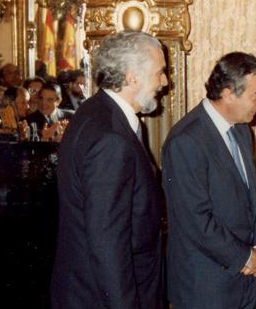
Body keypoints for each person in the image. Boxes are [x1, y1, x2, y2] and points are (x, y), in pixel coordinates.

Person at [50, 31, 168, 309]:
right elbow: (108, 242)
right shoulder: (110, 138)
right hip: (104, 296)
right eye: (160, 72)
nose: (164, 82)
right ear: (131, 77)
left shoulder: (95, 112)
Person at [162, 52, 256, 309]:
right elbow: (196, 220)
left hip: (245, 282)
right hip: (205, 288)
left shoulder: (242, 130)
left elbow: (254, 196)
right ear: (228, 93)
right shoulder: (185, 141)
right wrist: (245, 257)